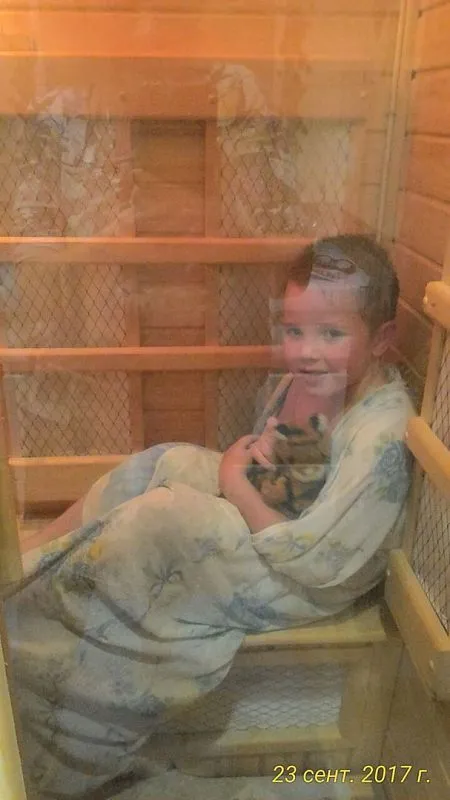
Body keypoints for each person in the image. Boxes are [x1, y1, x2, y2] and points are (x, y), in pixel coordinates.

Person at [6, 234, 414, 800]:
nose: (306, 352)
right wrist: (259, 460)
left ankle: (40, 661)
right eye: (295, 330)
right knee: (165, 460)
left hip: (307, 578)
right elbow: (293, 472)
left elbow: (318, 560)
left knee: (164, 521)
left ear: (383, 339)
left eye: (331, 334)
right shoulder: (326, 383)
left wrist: (234, 482)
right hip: (286, 524)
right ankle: (24, 569)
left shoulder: (384, 435)